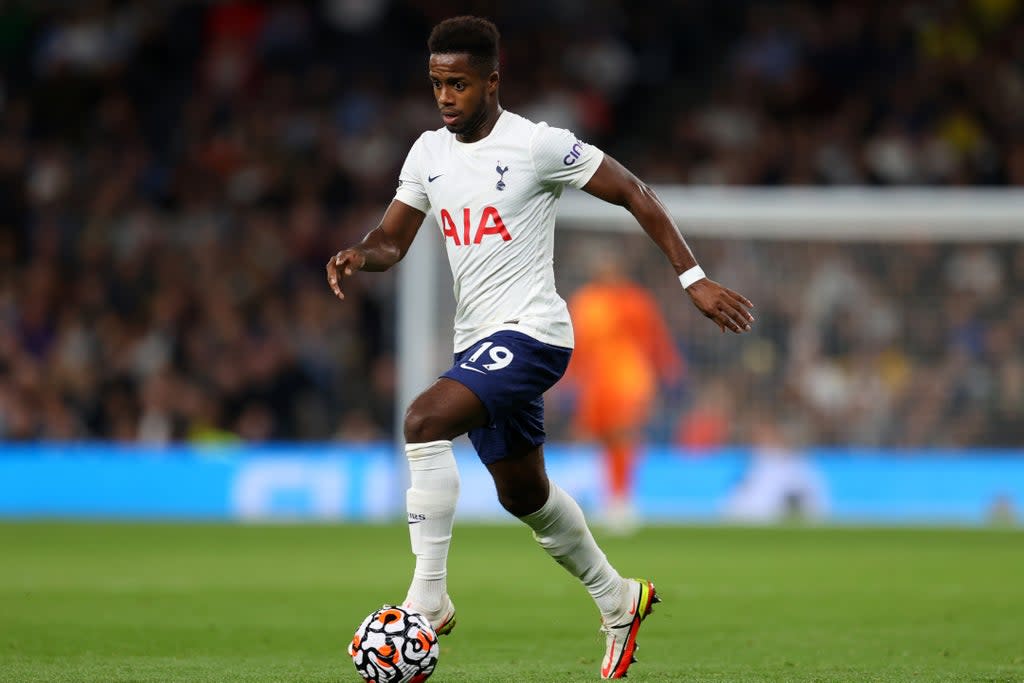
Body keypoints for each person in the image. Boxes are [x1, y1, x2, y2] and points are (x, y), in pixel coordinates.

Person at [325, 16, 755, 679]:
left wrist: (691, 278)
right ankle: (618, 597)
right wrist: (360, 252)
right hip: (479, 342)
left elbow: (634, 192)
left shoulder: (538, 146)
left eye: (459, 84)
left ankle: (428, 598)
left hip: (533, 335)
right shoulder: (428, 154)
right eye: (438, 84)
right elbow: (393, 239)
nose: (445, 97)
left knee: (422, 420)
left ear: (492, 81)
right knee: (524, 495)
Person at [566, 253, 683, 534]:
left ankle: (622, 499)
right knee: (605, 439)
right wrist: (569, 376)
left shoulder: (636, 300)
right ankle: (613, 498)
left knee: (623, 433)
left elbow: (655, 339)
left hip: (628, 376)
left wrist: (668, 368)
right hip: (596, 382)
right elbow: (574, 341)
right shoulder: (585, 301)